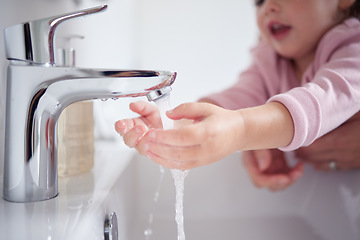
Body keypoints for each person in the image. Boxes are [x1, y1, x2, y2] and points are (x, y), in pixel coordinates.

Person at [115, 0, 360, 191]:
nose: (269, 7)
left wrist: (241, 130)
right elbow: (235, 100)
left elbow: (316, 104)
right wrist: (171, 126)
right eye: (259, 1)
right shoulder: (270, 60)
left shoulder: (354, 49)